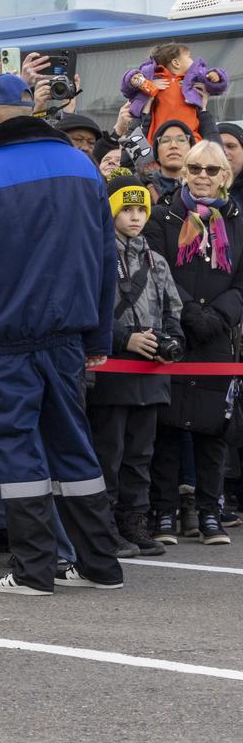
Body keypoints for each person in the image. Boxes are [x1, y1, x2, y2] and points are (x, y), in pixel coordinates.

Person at [0, 73, 122, 595]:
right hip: (69, 338)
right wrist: (100, 338)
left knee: (16, 450)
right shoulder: (81, 165)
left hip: (7, 338)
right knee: (74, 447)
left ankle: (36, 571)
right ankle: (101, 565)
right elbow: (107, 260)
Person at [144, 140, 243, 546]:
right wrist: (188, 313)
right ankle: (164, 512)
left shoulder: (238, 221)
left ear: (225, 177)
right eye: (195, 168)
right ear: (183, 172)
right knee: (167, 427)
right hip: (176, 330)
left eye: (212, 170)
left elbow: (240, 282)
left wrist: (218, 316)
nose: (203, 176)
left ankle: (209, 512)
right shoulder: (163, 217)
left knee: (212, 430)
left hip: (218, 336)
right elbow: (157, 268)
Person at [86, 172, 179, 557]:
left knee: (141, 454)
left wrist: (173, 341)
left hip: (150, 372)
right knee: (109, 452)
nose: (136, 215)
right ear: (111, 212)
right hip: (111, 369)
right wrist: (125, 339)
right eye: (127, 208)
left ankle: (134, 522)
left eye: (142, 207)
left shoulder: (156, 260)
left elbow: (174, 308)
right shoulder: (95, 253)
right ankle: (105, 527)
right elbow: (88, 310)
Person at [122, 43, 227, 142]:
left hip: (191, 139)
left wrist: (216, 76)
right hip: (159, 139)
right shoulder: (153, 78)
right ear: (176, 63)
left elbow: (217, 87)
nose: (193, 61)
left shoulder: (194, 79)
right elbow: (128, 84)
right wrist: (145, 83)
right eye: (189, 57)